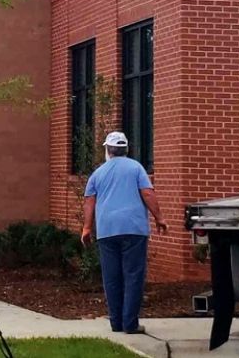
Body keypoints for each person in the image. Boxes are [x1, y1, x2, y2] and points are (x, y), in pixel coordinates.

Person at [81, 131, 167, 336]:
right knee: (133, 276)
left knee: (111, 277)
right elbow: (147, 193)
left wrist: (86, 228)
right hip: (134, 229)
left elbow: (89, 201)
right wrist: (159, 218)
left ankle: (116, 322)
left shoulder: (98, 173)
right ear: (126, 149)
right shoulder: (136, 168)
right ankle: (130, 323)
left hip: (107, 231)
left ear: (107, 150)